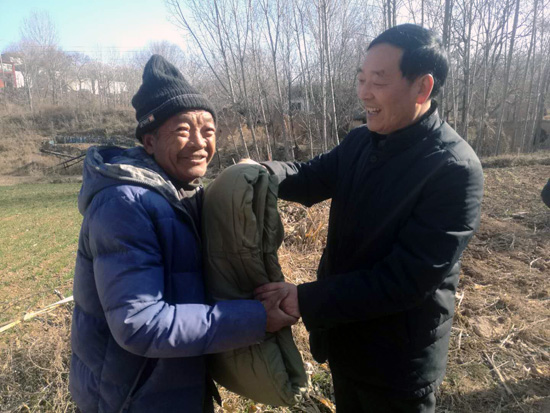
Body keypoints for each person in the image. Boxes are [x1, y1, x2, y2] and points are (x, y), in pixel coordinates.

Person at [255, 24, 484, 412]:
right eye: (361, 79)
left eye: (378, 80)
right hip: (345, 341)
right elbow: (310, 177)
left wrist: (302, 299)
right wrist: (260, 173)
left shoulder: (453, 169)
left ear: (422, 88)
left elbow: (405, 280)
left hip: (397, 363)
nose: (364, 93)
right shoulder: (361, 140)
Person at [69, 55, 296, 413]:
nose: (199, 142)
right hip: (133, 398)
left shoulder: (182, 195)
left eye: (209, 131)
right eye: (183, 130)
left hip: (174, 386)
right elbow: (139, 323)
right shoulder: (125, 204)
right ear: (149, 141)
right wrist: (256, 318)